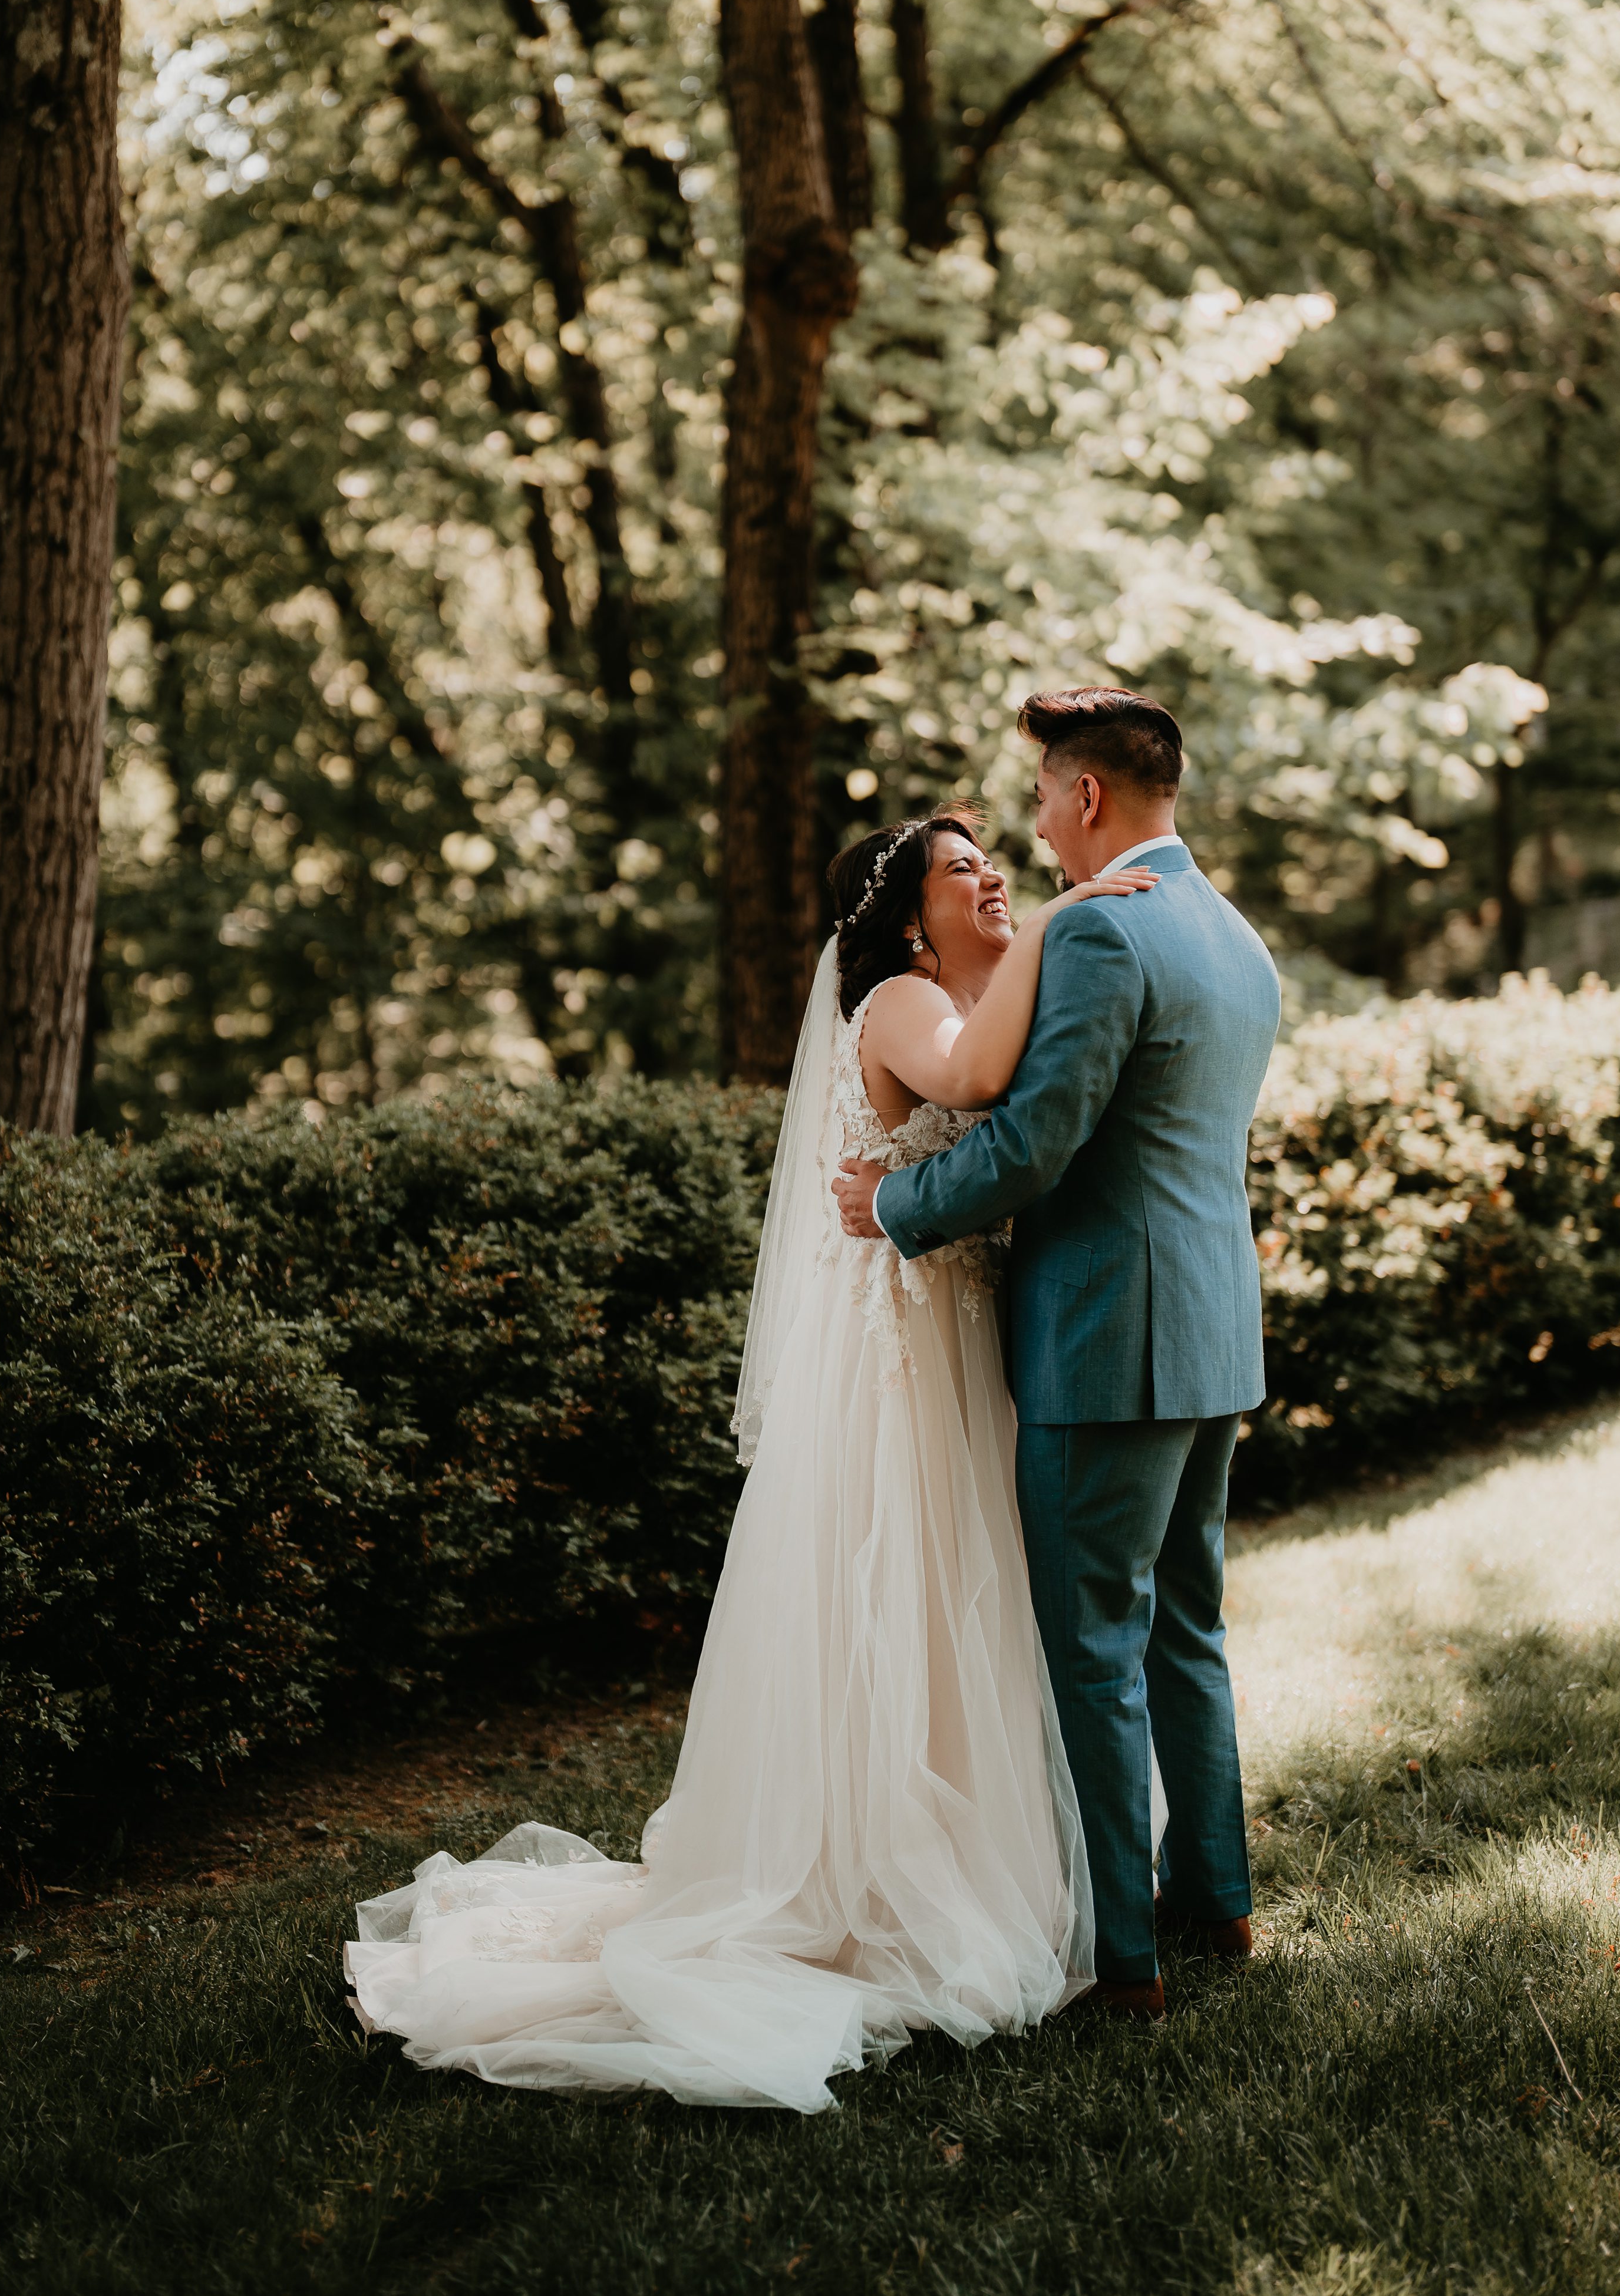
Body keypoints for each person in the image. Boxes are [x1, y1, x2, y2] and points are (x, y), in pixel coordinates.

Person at [342, 803, 1157, 2111]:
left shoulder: (963, 986)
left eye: (996, 858)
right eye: (964, 868)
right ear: (902, 914)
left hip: (953, 1337)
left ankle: (999, 1852)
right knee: (907, 1586)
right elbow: (976, 1089)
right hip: (901, 1359)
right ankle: (882, 1872)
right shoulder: (898, 998)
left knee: (969, 1597)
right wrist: (1070, 915)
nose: (995, 874)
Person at [834, 687, 1282, 2020]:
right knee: (1186, 1632)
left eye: (1037, 801)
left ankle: (1126, 1960)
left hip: (1108, 1340)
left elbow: (1034, 1144)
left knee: (1091, 1644)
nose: (1033, 832)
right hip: (1211, 1333)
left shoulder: (1103, 938)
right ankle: (1218, 1899)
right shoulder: (1235, 938)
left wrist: (895, 1207)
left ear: (1087, 797)